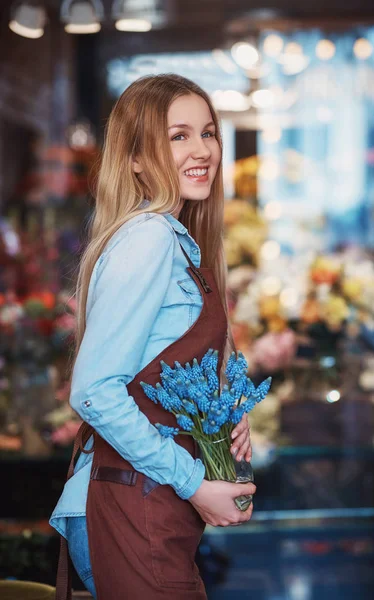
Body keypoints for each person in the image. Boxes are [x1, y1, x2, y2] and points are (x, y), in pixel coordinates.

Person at [50, 73, 256, 600]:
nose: (203, 149)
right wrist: (194, 483)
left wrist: (228, 412)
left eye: (208, 132)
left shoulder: (181, 243)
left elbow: (159, 366)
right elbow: (94, 390)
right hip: (131, 509)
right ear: (137, 158)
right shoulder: (150, 238)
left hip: (146, 506)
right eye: (178, 135)